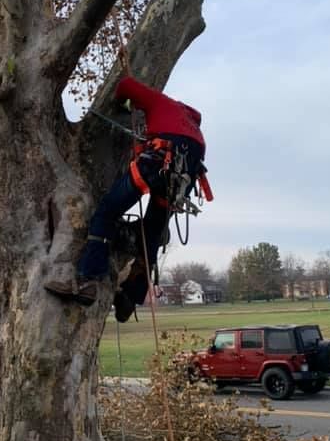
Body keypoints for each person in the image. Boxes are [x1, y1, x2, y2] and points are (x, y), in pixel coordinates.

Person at [45, 75, 210, 321]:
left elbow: (125, 86)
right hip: (182, 182)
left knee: (107, 211)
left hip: (158, 163)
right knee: (151, 233)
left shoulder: (160, 102)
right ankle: (131, 296)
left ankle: (87, 280)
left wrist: (124, 104)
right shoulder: (193, 128)